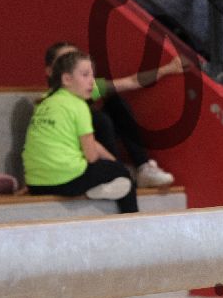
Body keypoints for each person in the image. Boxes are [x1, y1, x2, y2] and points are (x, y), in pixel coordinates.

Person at [43, 41, 183, 188]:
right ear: (50, 71)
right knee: (99, 119)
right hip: (73, 152)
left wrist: (168, 69)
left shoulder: (90, 88)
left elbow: (131, 81)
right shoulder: (48, 102)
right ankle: (115, 173)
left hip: (96, 144)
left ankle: (143, 167)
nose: (71, 66)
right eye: (64, 61)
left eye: (74, 59)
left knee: (115, 102)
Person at [22, 50, 138, 212]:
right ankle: (132, 221)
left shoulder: (44, 102)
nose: (92, 81)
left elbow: (93, 144)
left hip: (35, 185)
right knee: (124, 177)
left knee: (115, 169)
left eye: (92, 75)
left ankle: (99, 188)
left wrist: (113, 163)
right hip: (67, 182)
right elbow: (92, 157)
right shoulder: (78, 105)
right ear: (67, 79)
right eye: (85, 75)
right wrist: (118, 168)